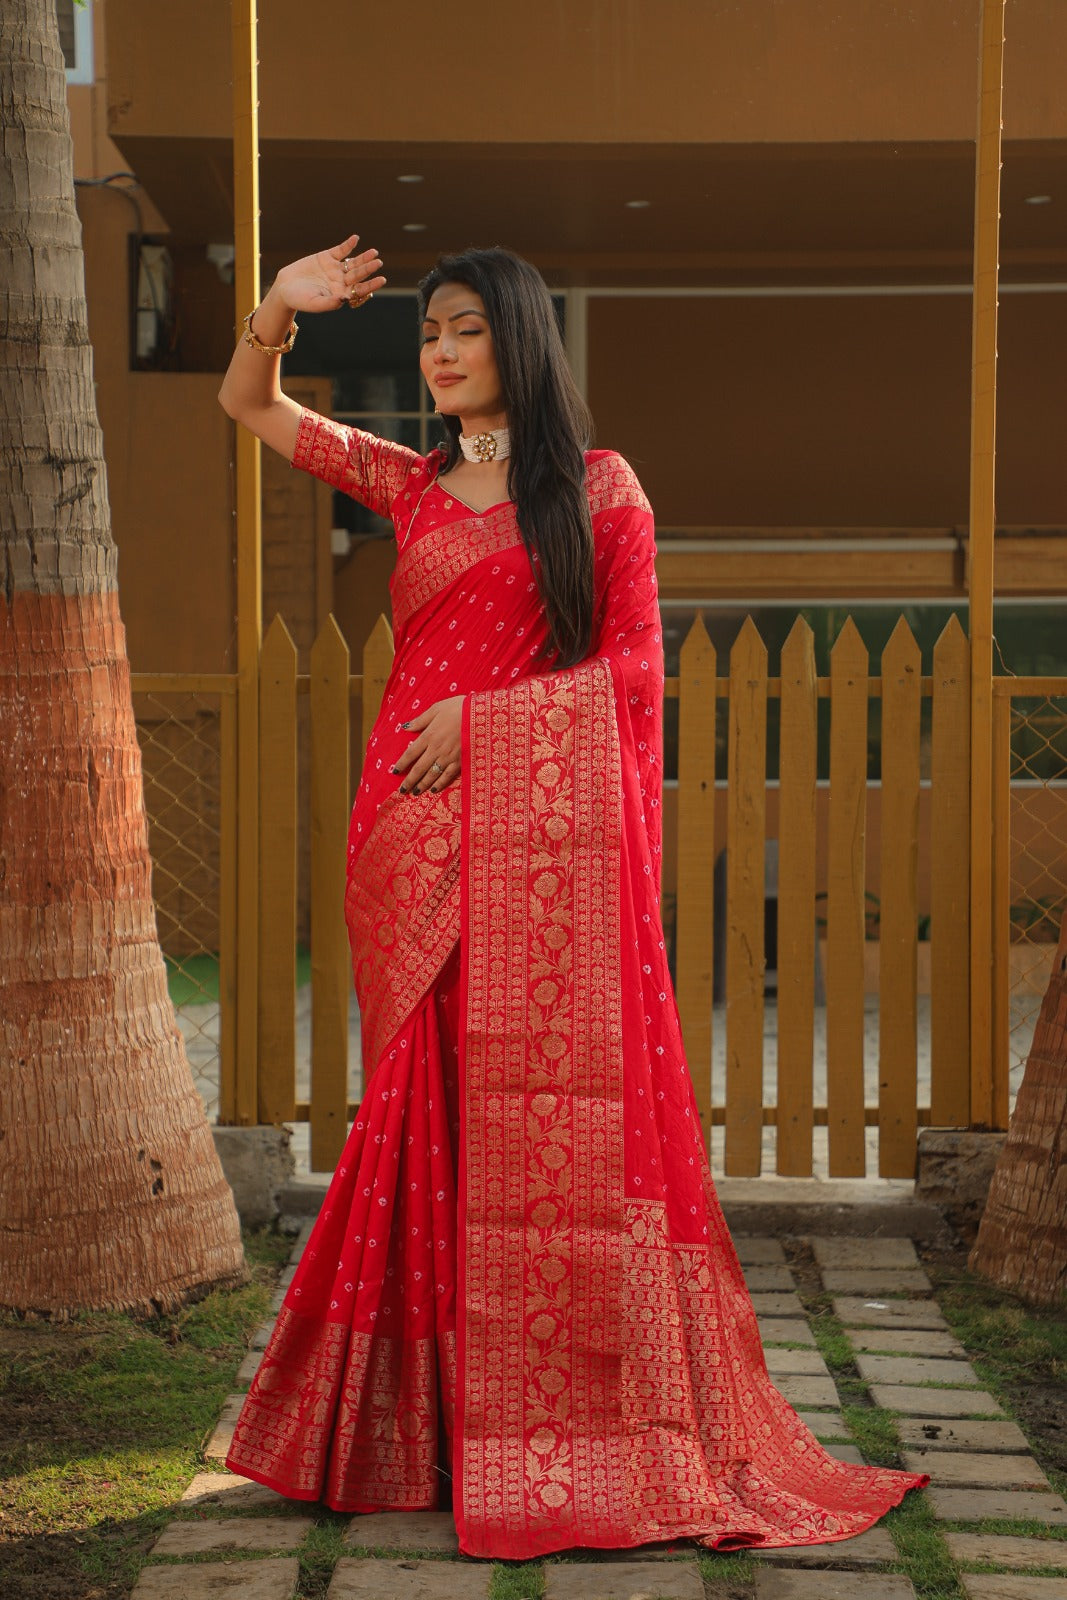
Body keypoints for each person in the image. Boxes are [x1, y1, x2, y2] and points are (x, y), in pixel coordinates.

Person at [219, 236, 925, 1559]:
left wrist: (491, 724)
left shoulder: (600, 491)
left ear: (523, 343)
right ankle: (413, 1430)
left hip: (525, 841)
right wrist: (278, 310)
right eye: (429, 331)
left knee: (532, 1126)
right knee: (418, 1115)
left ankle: (559, 1426)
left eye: (465, 329)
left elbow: (637, 677)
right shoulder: (411, 485)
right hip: (407, 835)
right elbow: (253, 410)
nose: (438, 352)